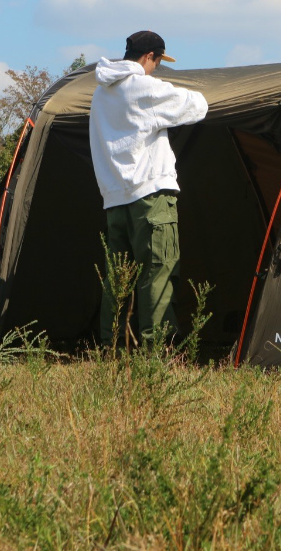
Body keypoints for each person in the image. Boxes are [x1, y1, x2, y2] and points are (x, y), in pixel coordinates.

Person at [89, 30, 208, 345]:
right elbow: (198, 106)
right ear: (149, 57)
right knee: (157, 274)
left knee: (118, 280)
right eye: (158, 62)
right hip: (151, 198)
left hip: (115, 200)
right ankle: (154, 356)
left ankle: (111, 351)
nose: (157, 69)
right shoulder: (143, 87)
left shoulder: (101, 93)